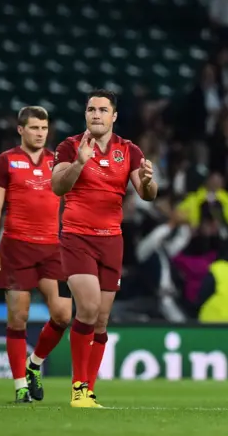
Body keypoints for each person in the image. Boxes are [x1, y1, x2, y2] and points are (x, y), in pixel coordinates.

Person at [52, 89, 158, 408]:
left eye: (102, 109)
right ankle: (78, 388)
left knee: (101, 319)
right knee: (87, 307)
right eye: (91, 109)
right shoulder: (70, 146)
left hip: (111, 240)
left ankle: (89, 390)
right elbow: (57, 186)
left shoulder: (128, 150)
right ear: (85, 114)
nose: (96, 114)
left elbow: (147, 194)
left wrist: (150, 180)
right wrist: (78, 164)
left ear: (114, 116)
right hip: (77, 237)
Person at [0, 106, 72, 403]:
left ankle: (34, 364)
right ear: (21, 130)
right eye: (34, 128)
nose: (40, 133)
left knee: (63, 313)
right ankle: (20, 385)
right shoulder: (6, 162)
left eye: (44, 129)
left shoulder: (57, 162)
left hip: (51, 248)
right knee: (18, 318)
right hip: (16, 247)